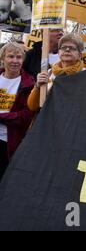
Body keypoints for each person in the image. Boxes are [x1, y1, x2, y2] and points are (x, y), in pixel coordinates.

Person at [0, 42, 34, 182]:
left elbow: (25, 116)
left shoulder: (29, 84)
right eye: (11, 56)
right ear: (3, 59)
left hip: (10, 142)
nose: (15, 61)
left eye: (19, 57)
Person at [27, 34, 86, 112]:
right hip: (50, 120)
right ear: (58, 53)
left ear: (80, 55)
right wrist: (37, 86)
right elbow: (32, 106)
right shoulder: (49, 73)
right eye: (63, 47)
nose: (67, 50)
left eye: (72, 48)